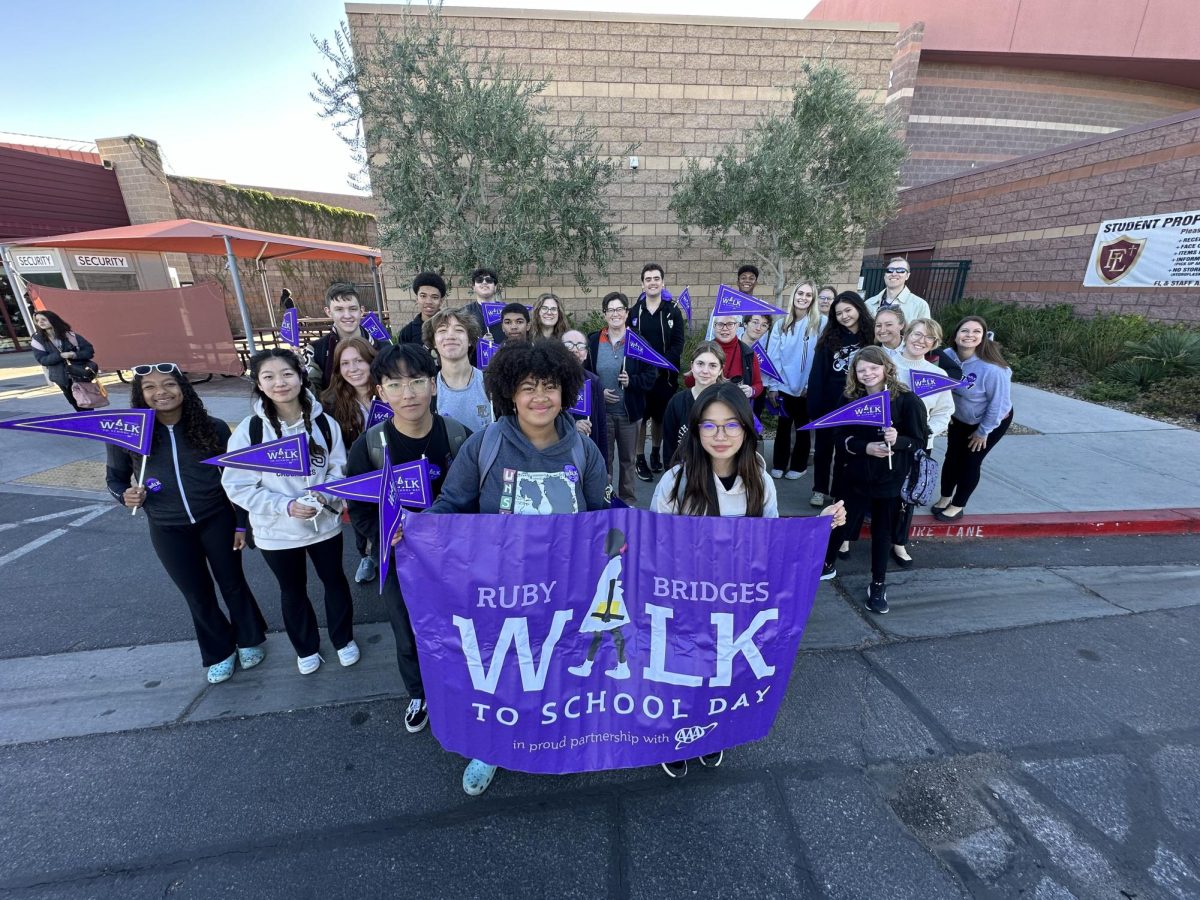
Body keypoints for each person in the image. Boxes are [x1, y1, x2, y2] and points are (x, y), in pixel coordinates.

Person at [414, 339, 610, 796]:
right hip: (499, 589)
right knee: (503, 671)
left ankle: (561, 729)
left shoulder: (584, 451)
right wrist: (415, 530)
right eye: (527, 388)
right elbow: (452, 504)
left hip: (567, 589)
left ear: (565, 390)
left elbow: (605, 515)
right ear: (510, 394)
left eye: (549, 387)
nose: (539, 397)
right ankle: (494, 746)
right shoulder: (484, 446)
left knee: (559, 664)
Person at [652, 382, 846, 775]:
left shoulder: (759, 476)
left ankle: (711, 733)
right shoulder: (675, 481)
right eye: (709, 426)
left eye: (731, 425)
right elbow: (655, 548)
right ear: (695, 430)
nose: (720, 436)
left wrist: (815, 529)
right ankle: (677, 735)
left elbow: (771, 542)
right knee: (684, 674)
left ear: (746, 428)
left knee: (724, 673)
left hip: (737, 601)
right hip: (686, 601)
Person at [106, 363, 267, 684]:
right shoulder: (126, 434)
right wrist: (125, 494)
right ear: (139, 395)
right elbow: (114, 479)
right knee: (196, 593)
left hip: (216, 519)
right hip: (167, 527)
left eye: (168, 384)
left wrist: (241, 524)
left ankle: (250, 639)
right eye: (149, 388)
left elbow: (238, 480)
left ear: (184, 388)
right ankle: (219, 651)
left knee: (233, 583)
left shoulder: (214, 428)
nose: (160, 392)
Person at [346, 343, 473, 737]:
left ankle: (464, 688)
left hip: (455, 561)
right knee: (409, 632)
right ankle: (418, 692)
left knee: (460, 628)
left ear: (433, 386)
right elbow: (360, 512)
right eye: (396, 385)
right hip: (399, 562)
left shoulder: (458, 437)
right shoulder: (368, 448)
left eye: (418, 381)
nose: (409, 393)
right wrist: (384, 535)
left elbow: (477, 502)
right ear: (380, 392)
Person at [222, 349, 358, 675]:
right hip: (276, 532)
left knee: (335, 581)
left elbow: (340, 467)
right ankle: (306, 647)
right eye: (268, 377)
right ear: (258, 383)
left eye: (286, 374)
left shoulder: (324, 423)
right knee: (292, 590)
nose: (279, 383)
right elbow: (237, 485)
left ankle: (343, 639)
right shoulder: (249, 431)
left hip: (324, 524)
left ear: (300, 375)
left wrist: (325, 497)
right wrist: (284, 506)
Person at [821, 347, 929, 615]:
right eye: (862, 369)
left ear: (885, 368)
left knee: (882, 532)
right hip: (854, 475)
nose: (868, 373)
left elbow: (919, 442)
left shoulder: (907, 400)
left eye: (873, 367)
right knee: (838, 523)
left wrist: (898, 440)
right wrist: (865, 447)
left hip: (889, 479)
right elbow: (839, 436)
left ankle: (878, 583)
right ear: (854, 374)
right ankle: (826, 564)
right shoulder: (849, 398)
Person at [884, 318, 955, 567]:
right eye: (917, 334)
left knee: (908, 494)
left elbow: (944, 412)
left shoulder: (938, 374)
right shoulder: (887, 364)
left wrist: (926, 433)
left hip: (918, 444)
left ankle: (899, 541)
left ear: (934, 344)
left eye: (928, 338)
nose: (920, 340)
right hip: (885, 439)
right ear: (906, 334)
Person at [932, 317, 1014, 522]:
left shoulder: (994, 369)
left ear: (983, 337)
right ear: (956, 335)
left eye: (976, 331)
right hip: (959, 418)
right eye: (965, 331)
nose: (969, 335)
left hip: (989, 421)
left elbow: (998, 405)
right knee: (952, 458)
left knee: (970, 462)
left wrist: (983, 431)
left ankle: (958, 505)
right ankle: (945, 498)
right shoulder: (947, 357)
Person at [586, 292, 658, 506]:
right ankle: (605, 499)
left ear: (627, 313)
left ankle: (627, 502)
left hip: (629, 414)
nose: (615, 314)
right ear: (604, 314)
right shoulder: (593, 341)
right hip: (602, 414)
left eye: (619, 309)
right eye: (610, 310)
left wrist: (632, 381)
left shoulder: (638, 342)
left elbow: (651, 376)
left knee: (628, 461)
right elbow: (583, 376)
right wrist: (597, 393)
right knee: (603, 460)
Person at [320, 336, 381, 583]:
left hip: (390, 466)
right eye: (345, 363)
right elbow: (331, 448)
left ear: (371, 362)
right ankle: (367, 557)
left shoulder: (388, 390)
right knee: (362, 520)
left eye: (359, 361)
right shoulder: (331, 402)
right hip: (355, 473)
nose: (353, 369)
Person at [806, 291, 873, 507]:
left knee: (848, 450)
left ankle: (839, 491)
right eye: (839, 313)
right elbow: (817, 374)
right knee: (824, 449)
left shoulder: (872, 336)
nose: (844, 316)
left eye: (848, 310)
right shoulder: (829, 338)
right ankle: (819, 489)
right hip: (830, 404)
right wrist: (814, 406)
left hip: (860, 404)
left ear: (858, 308)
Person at [628, 263, 686, 479]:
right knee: (641, 419)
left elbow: (678, 344)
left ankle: (655, 453)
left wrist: (659, 364)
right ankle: (639, 457)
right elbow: (630, 344)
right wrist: (644, 368)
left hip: (665, 378)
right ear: (642, 284)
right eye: (648, 279)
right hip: (641, 378)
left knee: (660, 419)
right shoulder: (634, 313)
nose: (652, 282)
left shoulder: (673, 312)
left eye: (656, 278)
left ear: (663, 283)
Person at [765, 280, 824, 481]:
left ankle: (799, 465)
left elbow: (820, 358)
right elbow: (774, 357)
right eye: (800, 293)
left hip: (807, 387)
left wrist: (811, 384)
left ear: (813, 299)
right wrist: (773, 386)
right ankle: (780, 464)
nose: (803, 298)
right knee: (783, 426)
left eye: (808, 295)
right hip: (783, 385)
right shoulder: (782, 323)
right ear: (794, 296)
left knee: (803, 427)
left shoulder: (820, 323)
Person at [305, 283, 390, 392]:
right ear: (328, 312)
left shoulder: (383, 347)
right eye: (339, 309)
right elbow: (312, 394)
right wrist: (300, 373)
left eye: (353, 309)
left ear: (362, 311)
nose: (347, 315)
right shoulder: (315, 350)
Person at [425, 308, 493, 433]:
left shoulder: (491, 383)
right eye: (442, 330)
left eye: (459, 330)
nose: (450, 336)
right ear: (434, 342)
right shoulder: (427, 390)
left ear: (470, 340)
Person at [662, 341, 725, 467]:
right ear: (692, 366)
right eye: (700, 364)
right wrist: (672, 475)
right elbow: (669, 446)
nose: (705, 371)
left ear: (720, 370)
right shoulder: (677, 402)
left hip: (719, 474)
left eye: (713, 365)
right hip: (684, 472)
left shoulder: (729, 402)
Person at [30, 309, 96, 410]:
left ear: (53, 320)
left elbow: (89, 351)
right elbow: (42, 360)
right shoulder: (37, 340)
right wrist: (60, 355)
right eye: (38, 320)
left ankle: (90, 421)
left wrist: (73, 355)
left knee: (86, 400)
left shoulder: (70, 335)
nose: (40, 322)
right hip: (61, 376)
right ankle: (88, 421)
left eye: (44, 319)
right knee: (74, 402)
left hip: (79, 373)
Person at [562, 328, 609, 470]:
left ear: (586, 354)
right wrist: (572, 426)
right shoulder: (550, 382)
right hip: (560, 454)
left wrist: (603, 466)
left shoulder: (593, 381)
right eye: (569, 345)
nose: (575, 350)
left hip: (587, 452)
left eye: (580, 346)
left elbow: (601, 425)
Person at [865, 257, 931, 323]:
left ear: (907, 276)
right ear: (885, 275)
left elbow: (925, 332)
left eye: (900, 270)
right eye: (890, 270)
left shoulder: (920, 305)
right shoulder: (869, 304)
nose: (894, 274)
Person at [397, 272, 446, 344]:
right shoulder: (407, 333)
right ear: (417, 299)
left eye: (434, 297)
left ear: (441, 301)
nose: (428, 302)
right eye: (423, 296)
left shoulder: (450, 326)